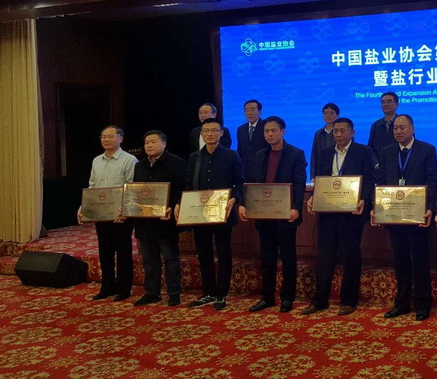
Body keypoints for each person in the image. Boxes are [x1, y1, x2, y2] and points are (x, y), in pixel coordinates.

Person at [302, 117, 375, 316]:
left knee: (350, 256)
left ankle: (349, 300)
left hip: (351, 214)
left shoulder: (363, 152)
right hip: (328, 213)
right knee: (324, 257)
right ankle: (320, 300)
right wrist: (313, 197)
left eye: (343, 131)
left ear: (352, 132)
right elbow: (321, 181)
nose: (339, 134)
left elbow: (370, 180)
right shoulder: (326, 153)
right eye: (335, 131)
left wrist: (363, 199)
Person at [371, 114, 437, 321]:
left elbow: (432, 181)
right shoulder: (387, 152)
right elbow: (381, 182)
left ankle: (422, 303)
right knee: (400, 260)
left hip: (417, 216)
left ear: (412, 128)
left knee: (419, 260)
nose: (398, 131)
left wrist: (429, 208)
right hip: (394, 216)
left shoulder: (427, 150)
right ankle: (401, 302)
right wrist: (377, 207)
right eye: (395, 128)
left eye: (402, 127)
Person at [240, 116, 307, 313]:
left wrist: (296, 208)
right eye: (266, 131)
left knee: (288, 258)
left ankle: (287, 297)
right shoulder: (260, 154)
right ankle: (267, 297)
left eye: (273, 131)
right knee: (267, 259)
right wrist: (244, 204)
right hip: (264, 215)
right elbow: (250, 182)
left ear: (282, 131)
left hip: (286, 215)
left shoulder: (296, 154)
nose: (269, 134)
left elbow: (300, 184)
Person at [178, 118, 244, 311]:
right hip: (199, 214)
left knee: (223, 253)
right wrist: (182, 203)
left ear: (221, 133)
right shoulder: (195, 157)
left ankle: (222, 294)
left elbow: (240, 182)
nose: (210, 134)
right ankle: (208, 292)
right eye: (206, 131)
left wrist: (234, 198)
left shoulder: (231, 155)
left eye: (214, 130)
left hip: (223, 213)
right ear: (201, 134)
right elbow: (189, 185)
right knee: (203, 253)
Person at [77, 125, 137, 301]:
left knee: (123, 251)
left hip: (120, 214)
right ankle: (107, 286)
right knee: (105, 250)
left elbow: (131, 188)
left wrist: (124, 210)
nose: (106, 140)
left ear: (120, 138)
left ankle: (124, 288)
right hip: (101, 213)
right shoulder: (96, 160)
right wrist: (83, 206)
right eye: (103, 137)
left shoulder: (129, 160)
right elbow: (92, 186)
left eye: (110, 136)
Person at [130, 130, 187, 307]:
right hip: (144, 222)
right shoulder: (139, 165)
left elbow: (182, 189)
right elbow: (136, 191)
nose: (149, 145)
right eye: (146, 142)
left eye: (153, 142)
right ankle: (152, 292)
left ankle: (174, 293)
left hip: (165, 221)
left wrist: (174, 205)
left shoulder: (177, 162)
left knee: (170, 259)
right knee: (149, 260)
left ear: (164, 143)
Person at [236, 99, 268, 178]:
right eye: (246, 110)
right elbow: (240, 151)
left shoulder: (266, 127)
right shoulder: (241, 129)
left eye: (252, 110)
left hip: (263, 169)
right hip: (245, 171)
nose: (249, 113)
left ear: (259, 112)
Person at [310, 103, 340, 181]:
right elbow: (314, 155)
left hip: (337, 170)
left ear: (337, 115)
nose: (328, 116)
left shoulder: (342, 133)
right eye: (325, 113)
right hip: (321, 172)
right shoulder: (319, 133)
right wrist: (313, 175)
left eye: (331, 113)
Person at [368, 91, 399, 158]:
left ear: (397, 104)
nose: (385, 104)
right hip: (379, 163)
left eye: (389, 101)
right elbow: (370, 148)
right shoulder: (376, 125)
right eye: (383, 102)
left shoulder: (403, 123)